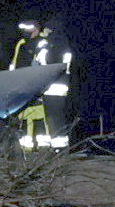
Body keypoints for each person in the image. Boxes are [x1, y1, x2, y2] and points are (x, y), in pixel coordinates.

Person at [10, 19, 52, 150]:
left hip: (37, 85)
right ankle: (26, 148)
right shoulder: (21, 43)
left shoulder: (43, 43)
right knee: (24, 116)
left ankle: (43, 148)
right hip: (22, 85)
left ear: (37, 29)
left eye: (30, 29)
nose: (28, 32)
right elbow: (15, 63)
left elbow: (44, 65)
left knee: (40, 116)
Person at [39, 18, 74, 149]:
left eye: (47, 29)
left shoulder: (58, 44)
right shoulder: (53, 43)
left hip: (54, 86)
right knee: (53, 117)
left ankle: (59, 147)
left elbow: (53, 65)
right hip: (51, 85)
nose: (44, 31)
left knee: (55, 116)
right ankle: (56, 146)